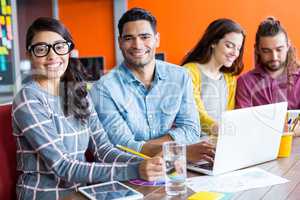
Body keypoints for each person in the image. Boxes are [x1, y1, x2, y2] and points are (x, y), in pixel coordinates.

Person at [12, 17, 163, 200]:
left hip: (84, 193)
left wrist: (150, 164)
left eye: (59, 46)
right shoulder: (28, 98)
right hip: (45, 195)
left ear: (68, 51)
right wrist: (135, 170)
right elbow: (64, 166)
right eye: (41, 49)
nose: (52, 56)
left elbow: (104, 150)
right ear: (29, 55)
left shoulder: (77, 92)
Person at [91, 8, 215, 162]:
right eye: (129, 38)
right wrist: (179, 151)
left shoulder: (180, 76)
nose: (137, 45)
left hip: (173, 168)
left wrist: (146, 149)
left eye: (145, 37)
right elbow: (120, 147)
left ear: (157, 39)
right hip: (129, 173)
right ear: (120, 42)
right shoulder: (103, 88)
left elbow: (191, 130)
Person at [235, 17, 300, 136]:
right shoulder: (245, 82)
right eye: (266, 51)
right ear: (257, 50)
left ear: (288, 46)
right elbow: (243, 125)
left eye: (279, 49)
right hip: (259, 151)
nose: (274, 57)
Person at [181, 19, 245, 136]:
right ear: (213, 42)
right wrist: (220, 130)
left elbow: (228, 115)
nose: (235, 53)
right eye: (229, 46)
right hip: (195, 143)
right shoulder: (189, 72)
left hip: (220, 141)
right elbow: (196, 113)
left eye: (238, 48)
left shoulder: (229, 78)